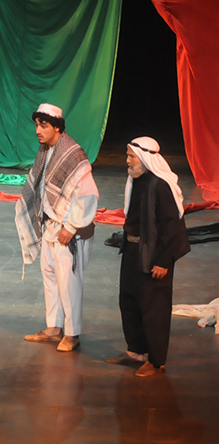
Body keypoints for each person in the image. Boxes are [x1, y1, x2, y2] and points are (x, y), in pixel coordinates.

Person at [15, 103, 99, 352]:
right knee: (50, 277)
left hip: (68, 231)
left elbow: (89, 195)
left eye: (43, 126)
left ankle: (72, 334)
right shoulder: (45, 151)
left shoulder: (72, 154)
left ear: (57, 127)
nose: (37, 131)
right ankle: (54, 327)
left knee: (69, 282)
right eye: (36, 125)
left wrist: (71, 227)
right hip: (50, 227)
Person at [107, 137, 190, 377]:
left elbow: (172, 228)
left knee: (154, 309)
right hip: (132, 250)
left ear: (145, 158)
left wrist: (163, 261)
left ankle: (156, 361)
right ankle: (136, 351)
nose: (127, 160)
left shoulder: (160, 185)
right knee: (130, 302)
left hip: (154, 254)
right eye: (128, 155)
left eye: (131, 156)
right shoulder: (136, 180)